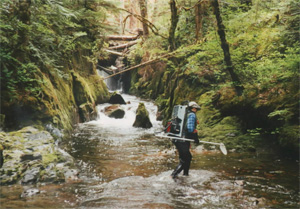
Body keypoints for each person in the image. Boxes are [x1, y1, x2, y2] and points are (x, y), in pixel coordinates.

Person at [171, 101, 200, 179]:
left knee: (187, 157)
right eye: (196, 109)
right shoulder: (192, 115)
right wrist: (195, 137)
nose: (196, 110)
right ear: (193, 108)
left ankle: (185, 175)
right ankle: (173, 176)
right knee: (185, 159)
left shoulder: (184, 114)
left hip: (178, 139)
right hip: (182, 140)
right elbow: (190, 129)